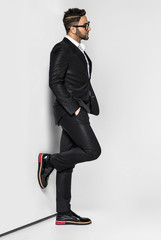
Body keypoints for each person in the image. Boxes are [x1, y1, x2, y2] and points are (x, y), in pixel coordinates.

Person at [37, 8, 101, 225]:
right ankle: (49, 160)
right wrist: (74, 108)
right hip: (70, 111)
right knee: (93, 150)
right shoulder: (61, 49)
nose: (89, 27)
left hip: (78, 107)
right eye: (85, 24)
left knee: (68, 162)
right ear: (73, 28)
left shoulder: (79, 50)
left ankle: (63, 212)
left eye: (88, 23)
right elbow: (55, 82)